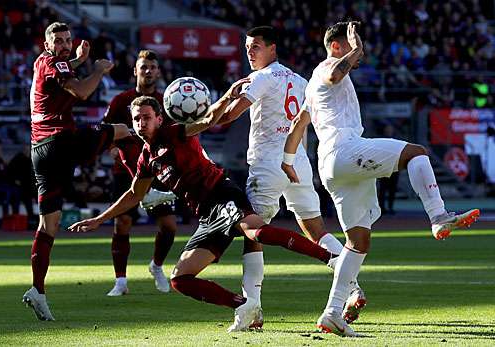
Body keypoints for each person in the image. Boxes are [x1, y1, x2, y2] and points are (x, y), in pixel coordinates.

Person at [68, 95, 341, 333]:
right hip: (208, 216)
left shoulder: (175, 133)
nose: (141, 123)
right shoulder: (146, 159)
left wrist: (226, 98)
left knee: (257, 232)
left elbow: (208, 120)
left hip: (222, 194)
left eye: (146, 118)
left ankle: (331, 259)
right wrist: (99, 219)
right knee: (180, 279)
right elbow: (134, 194)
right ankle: (245, 307)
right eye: (137, 119)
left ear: (159, 119)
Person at [282, 22, 480, 337]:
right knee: (417, 153)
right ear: (336, 47)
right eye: (350, 46)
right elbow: (336, 73)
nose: (358, 55)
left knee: (357, 243)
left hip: (331, 167)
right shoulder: (327, 69)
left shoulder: (310, 87)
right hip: (345, 152)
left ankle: (332, 313)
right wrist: (356, 47)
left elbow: (296, 128)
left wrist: (288, 162)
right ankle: (438, 215)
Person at [215, 26, 363, 328]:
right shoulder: (300, 80)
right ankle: (351, 284)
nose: (250, 52)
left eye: (256, 46)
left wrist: (214, 108)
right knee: (315, 229)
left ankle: (251, 308)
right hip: (297, 163)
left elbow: (230, 116)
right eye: (247, 47)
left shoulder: (259, 78)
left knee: (253, 232)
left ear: (273, 49)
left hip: (268, 164)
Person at [22, 22, 132, 321]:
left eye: (68, 40)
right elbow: (82, 91)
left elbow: (63, 69)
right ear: (47, 43)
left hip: (40, 151)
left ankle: (38, 290)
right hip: (62, 141)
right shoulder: (54, 61)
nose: (65, 44)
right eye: (58, 40)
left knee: (48, 226)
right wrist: (96, 70)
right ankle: (150, 176)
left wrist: (78, 61)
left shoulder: (43, 62)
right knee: (125, 130)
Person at [102, 49, 179, 296]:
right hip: (125, 171)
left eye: (152, 67)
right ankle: (121, 282)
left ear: (158, 72)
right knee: (122, 223)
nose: (147, 71)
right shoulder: (120, 101)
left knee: (169, 226)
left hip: (156, 171)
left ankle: (156, 266)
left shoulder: (165, 103)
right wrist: (112, 147)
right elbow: (105, 131)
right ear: (135, 70)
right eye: (143, 67)